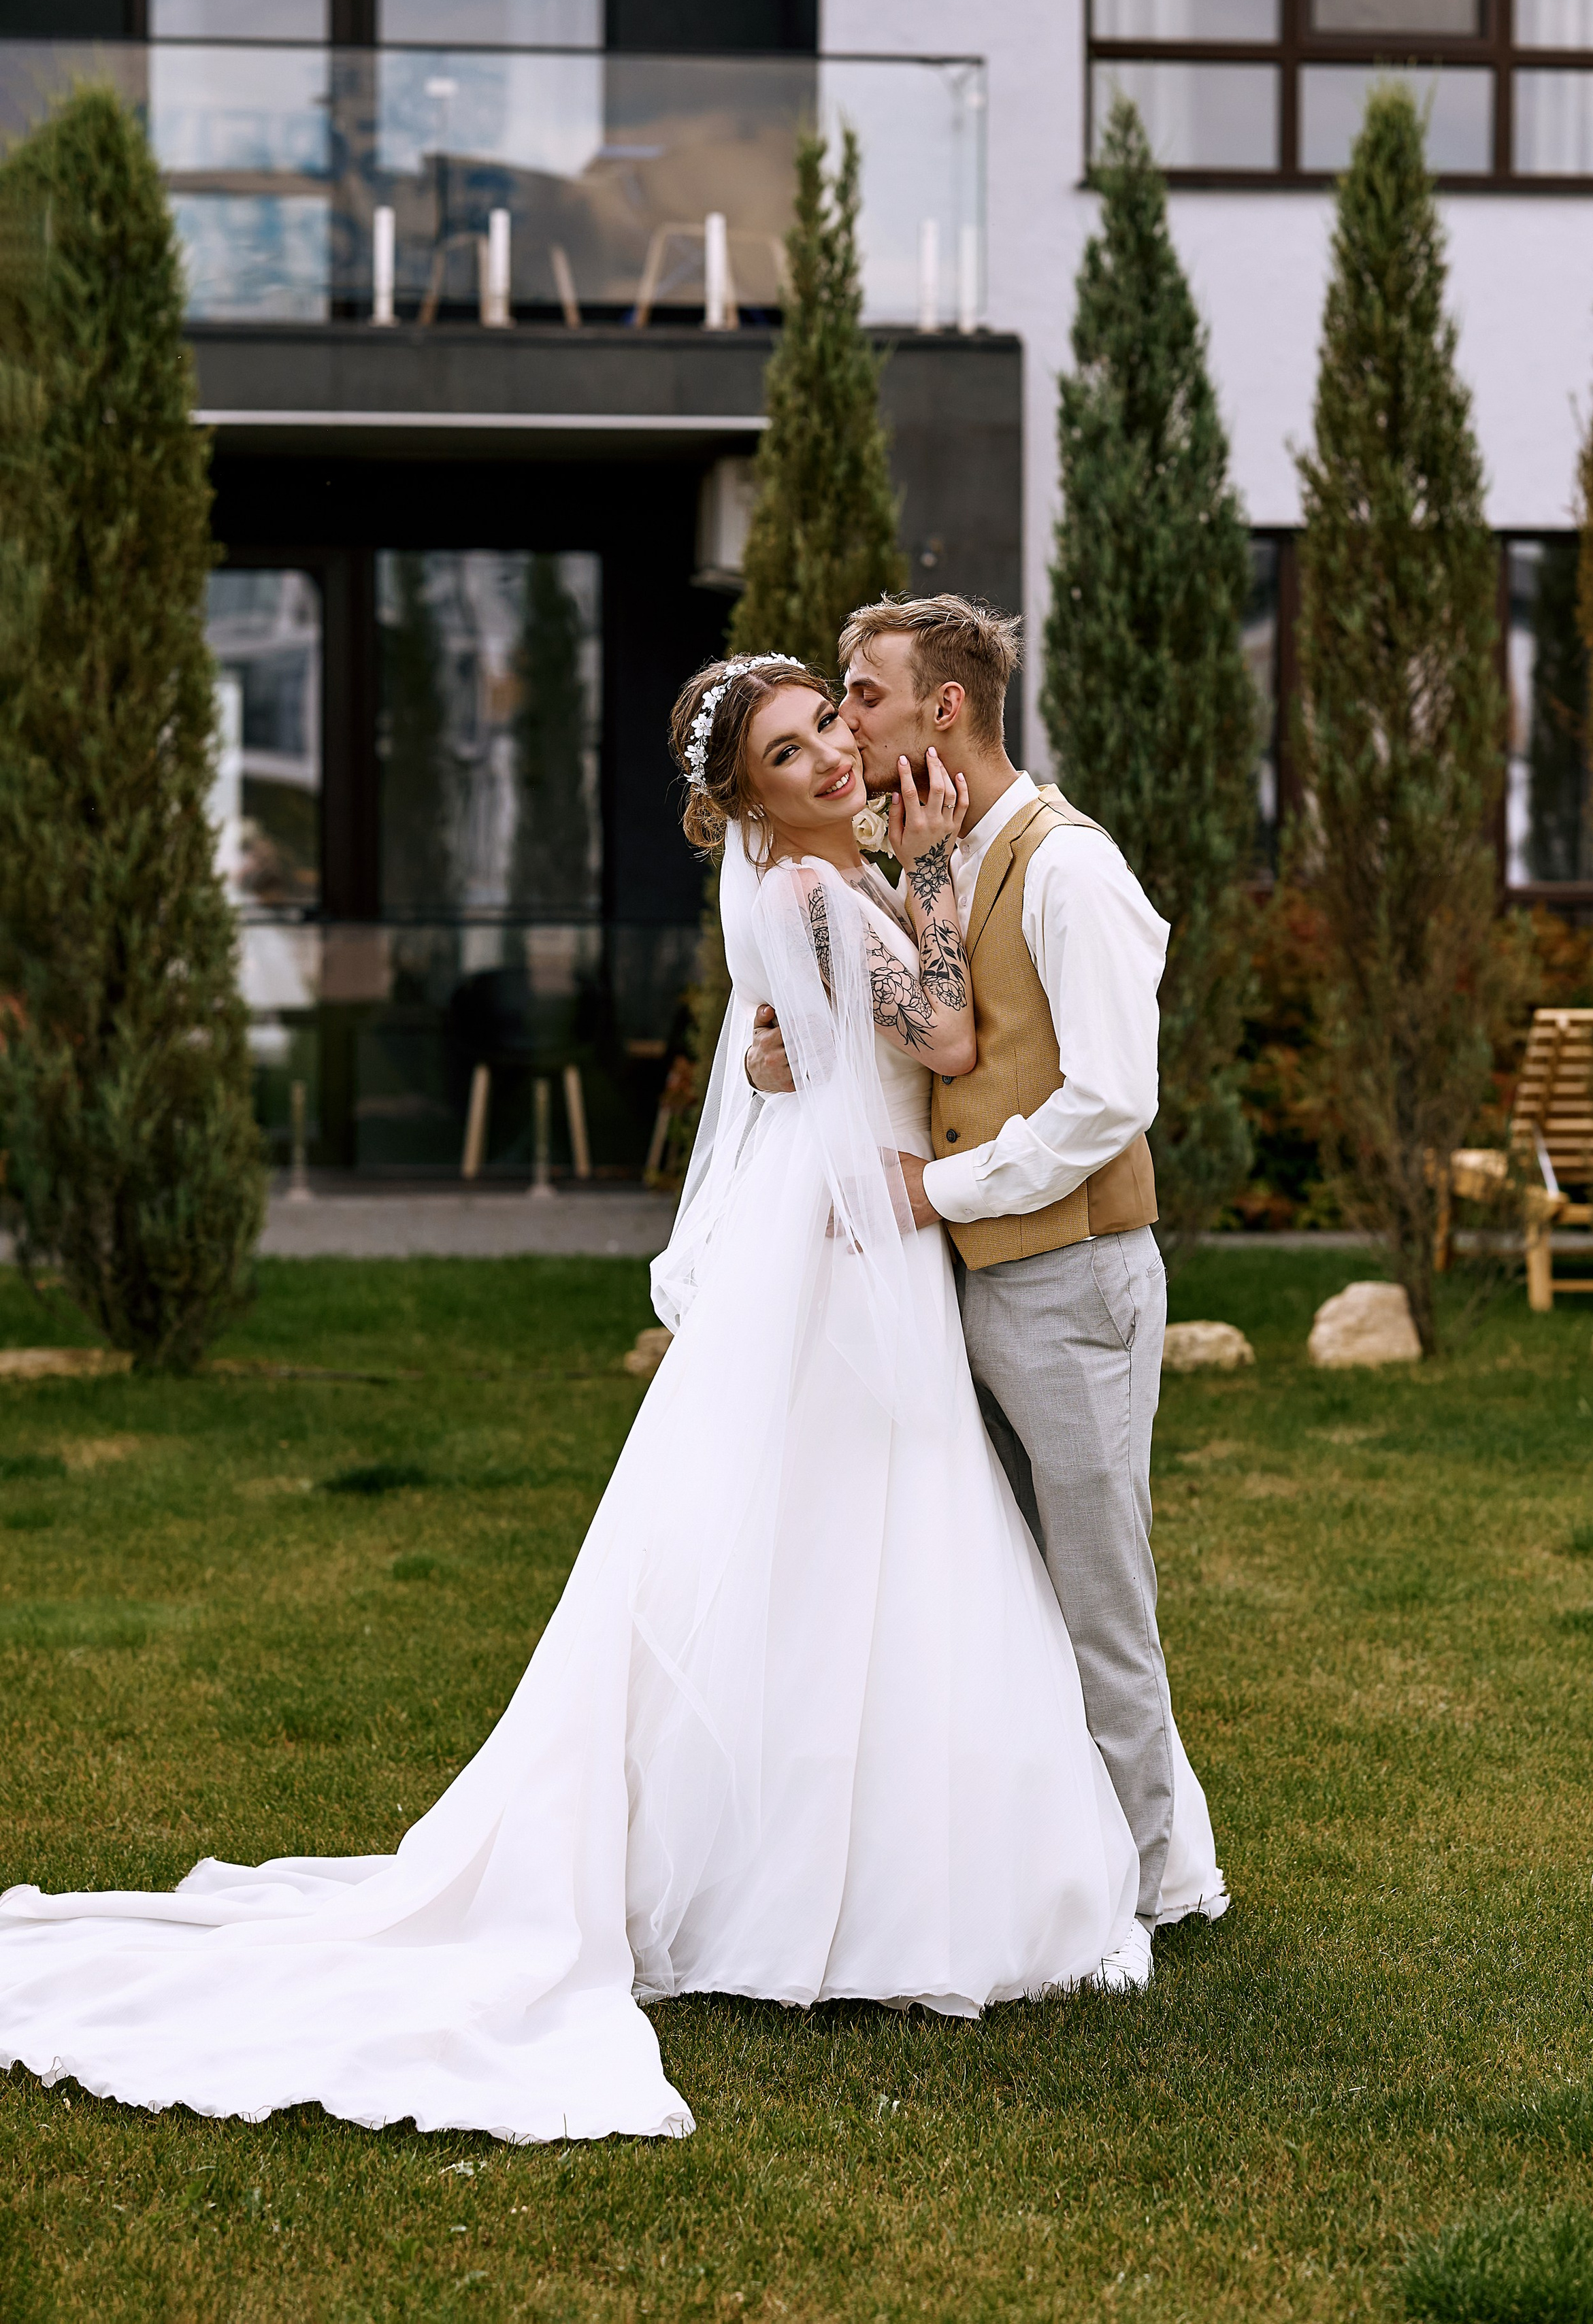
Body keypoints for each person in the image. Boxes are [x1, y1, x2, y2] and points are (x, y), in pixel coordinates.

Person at [0, 654, 1224, 2148]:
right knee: (875, 1545)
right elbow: (948, 1043)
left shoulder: (798, 893)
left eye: (829, 722)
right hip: (862, 1246)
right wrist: (908, 878)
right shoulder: (821, 893)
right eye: (792, 752)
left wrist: (816, 1009)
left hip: (845, 1236)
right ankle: (869, 1880)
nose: (833, 753)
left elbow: (799, 1048)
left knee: (831, 1551)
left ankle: (818, 1846)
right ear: (747, 803)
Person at [748, 598, 1224, 1990]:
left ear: (937, 713)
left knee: (1096, 1595)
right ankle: (1068, 1867)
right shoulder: (943, 856)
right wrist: (797, 1053)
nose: (845, 722)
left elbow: (1107, 1101)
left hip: (1070, 1281)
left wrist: (928, 1195)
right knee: (1014, 1595)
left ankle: (1162, 1879)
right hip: (979, 1287)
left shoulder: (1068, 868)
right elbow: (925, 1028)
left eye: (861, 696)